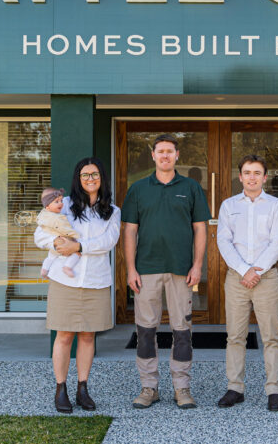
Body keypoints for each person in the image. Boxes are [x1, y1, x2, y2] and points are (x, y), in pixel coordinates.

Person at [121, 133, 210, 410]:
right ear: (153, 155)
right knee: (145, 331)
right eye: (160, 151)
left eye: (169, 151)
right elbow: (129, 231)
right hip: (145, 270)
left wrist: (197, 266)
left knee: (182, 331)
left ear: (177, 155)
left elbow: (200, 229)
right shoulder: (138, 189)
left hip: (181, 271)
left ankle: (182, 389)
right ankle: (149, 388)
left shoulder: (191, 187)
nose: (165, 156)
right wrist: (130, 269)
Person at [34, 157, 120, 414]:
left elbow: (109, 241)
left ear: (101, 177)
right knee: (64, 336)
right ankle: (61, 388)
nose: (90, 179)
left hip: (96, 281)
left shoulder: (113, 211)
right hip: (65, 280)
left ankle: (83, 388)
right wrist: (60, 244)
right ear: (78, 179)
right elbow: (40, 234)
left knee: (87, 336)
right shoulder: (65, 205)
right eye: (85, 175)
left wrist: (79, 247)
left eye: (95, 174)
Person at [216, 155, 278, 411]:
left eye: (257, 172)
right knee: (235, 336)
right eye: (247, 172)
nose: (252, 177)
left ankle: (274, 391)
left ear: (265, 177)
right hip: (236, 278)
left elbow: (277, 242)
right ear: (240, 176)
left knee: (272, 336)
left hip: (266, 278)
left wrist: (256, 270)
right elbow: (223, 241)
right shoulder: (228, 205)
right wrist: (245, 270)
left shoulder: (276, 206)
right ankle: (235, 388)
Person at [37, 187, 82, 278]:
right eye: (56, 202)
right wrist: (76, 236)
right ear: (47, 206)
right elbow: (65, 230)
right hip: (63, 241)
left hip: (53, 243)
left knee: (50, 257)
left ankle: (44, 270)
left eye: (61, 200)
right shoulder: (57, 218)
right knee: (77, 254)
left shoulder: (43, 214)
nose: (61, 204)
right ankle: (67, 267)